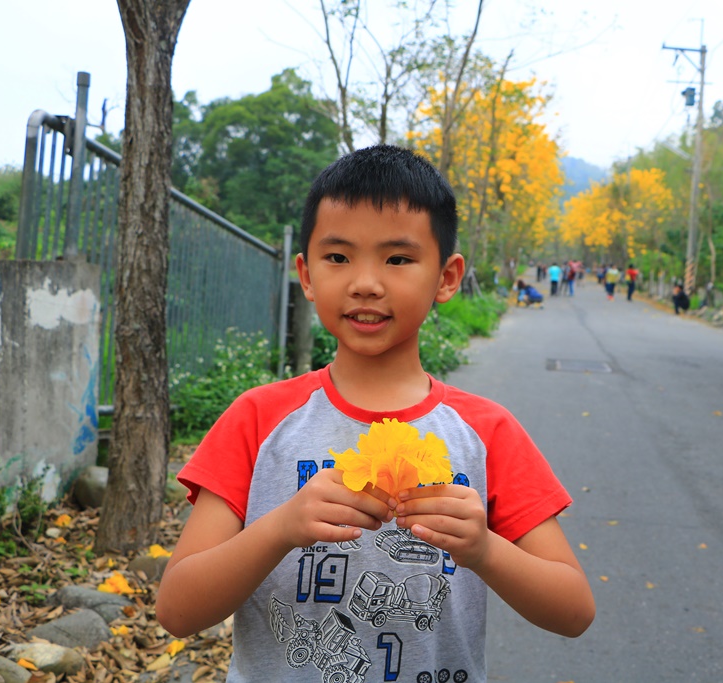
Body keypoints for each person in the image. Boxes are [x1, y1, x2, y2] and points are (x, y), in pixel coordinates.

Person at [155, 145, 594, 682]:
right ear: (307, 274)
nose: (365, 281)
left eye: (398, 258)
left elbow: (573, 610)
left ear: (447, 277)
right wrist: (281, 528)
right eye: (338, 257)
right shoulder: (258, 420)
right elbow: (177, 611)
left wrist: (484, 550)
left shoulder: (486, 434)